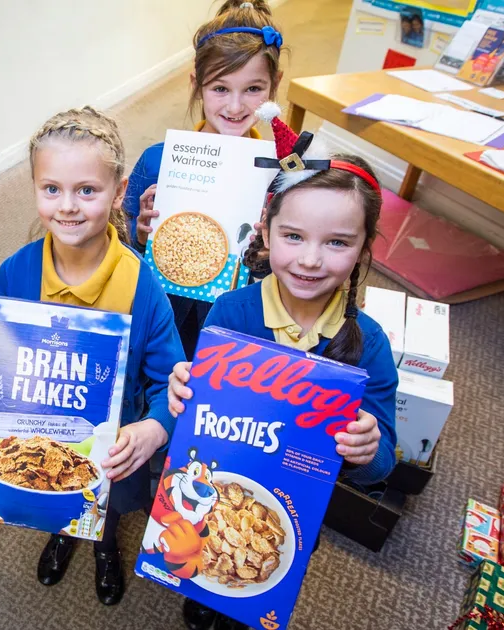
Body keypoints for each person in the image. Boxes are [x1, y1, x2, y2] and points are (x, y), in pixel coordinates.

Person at [168, 118, 399, 630]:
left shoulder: (370, 344)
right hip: (215, 486)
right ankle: (206, 597)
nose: (311, 260)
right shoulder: (231, 312)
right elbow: (197, 413)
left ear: (364, 248)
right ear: (267, 232)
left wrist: (367, 446)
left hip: (295, 508)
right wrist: (182, 392)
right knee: (205, 566)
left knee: (263, 572)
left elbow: (382, 464)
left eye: (337, 242)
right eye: (293, 236)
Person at [0, 106, 186, 607]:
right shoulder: (16, 272)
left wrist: (155, 426)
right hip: (30, 440)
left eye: (87, 190)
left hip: (109, 449)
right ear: (34, 188)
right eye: (51, 189)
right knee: (48, 493)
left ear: (119, 191)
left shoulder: (142, 285)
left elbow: (173, 380)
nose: (68, 206)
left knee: (109, 508)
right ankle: (61, 532)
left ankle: (103, 546)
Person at [125, 0, 285, 359]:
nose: (234, 107)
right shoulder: (157, 162)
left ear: (275, 85)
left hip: (240, 325)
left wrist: (269, 252)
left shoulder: (282, 177)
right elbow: (122, 251)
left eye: (253, 89)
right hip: (165, 316)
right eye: (220, 88)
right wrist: (140, 235)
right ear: (196, 84)